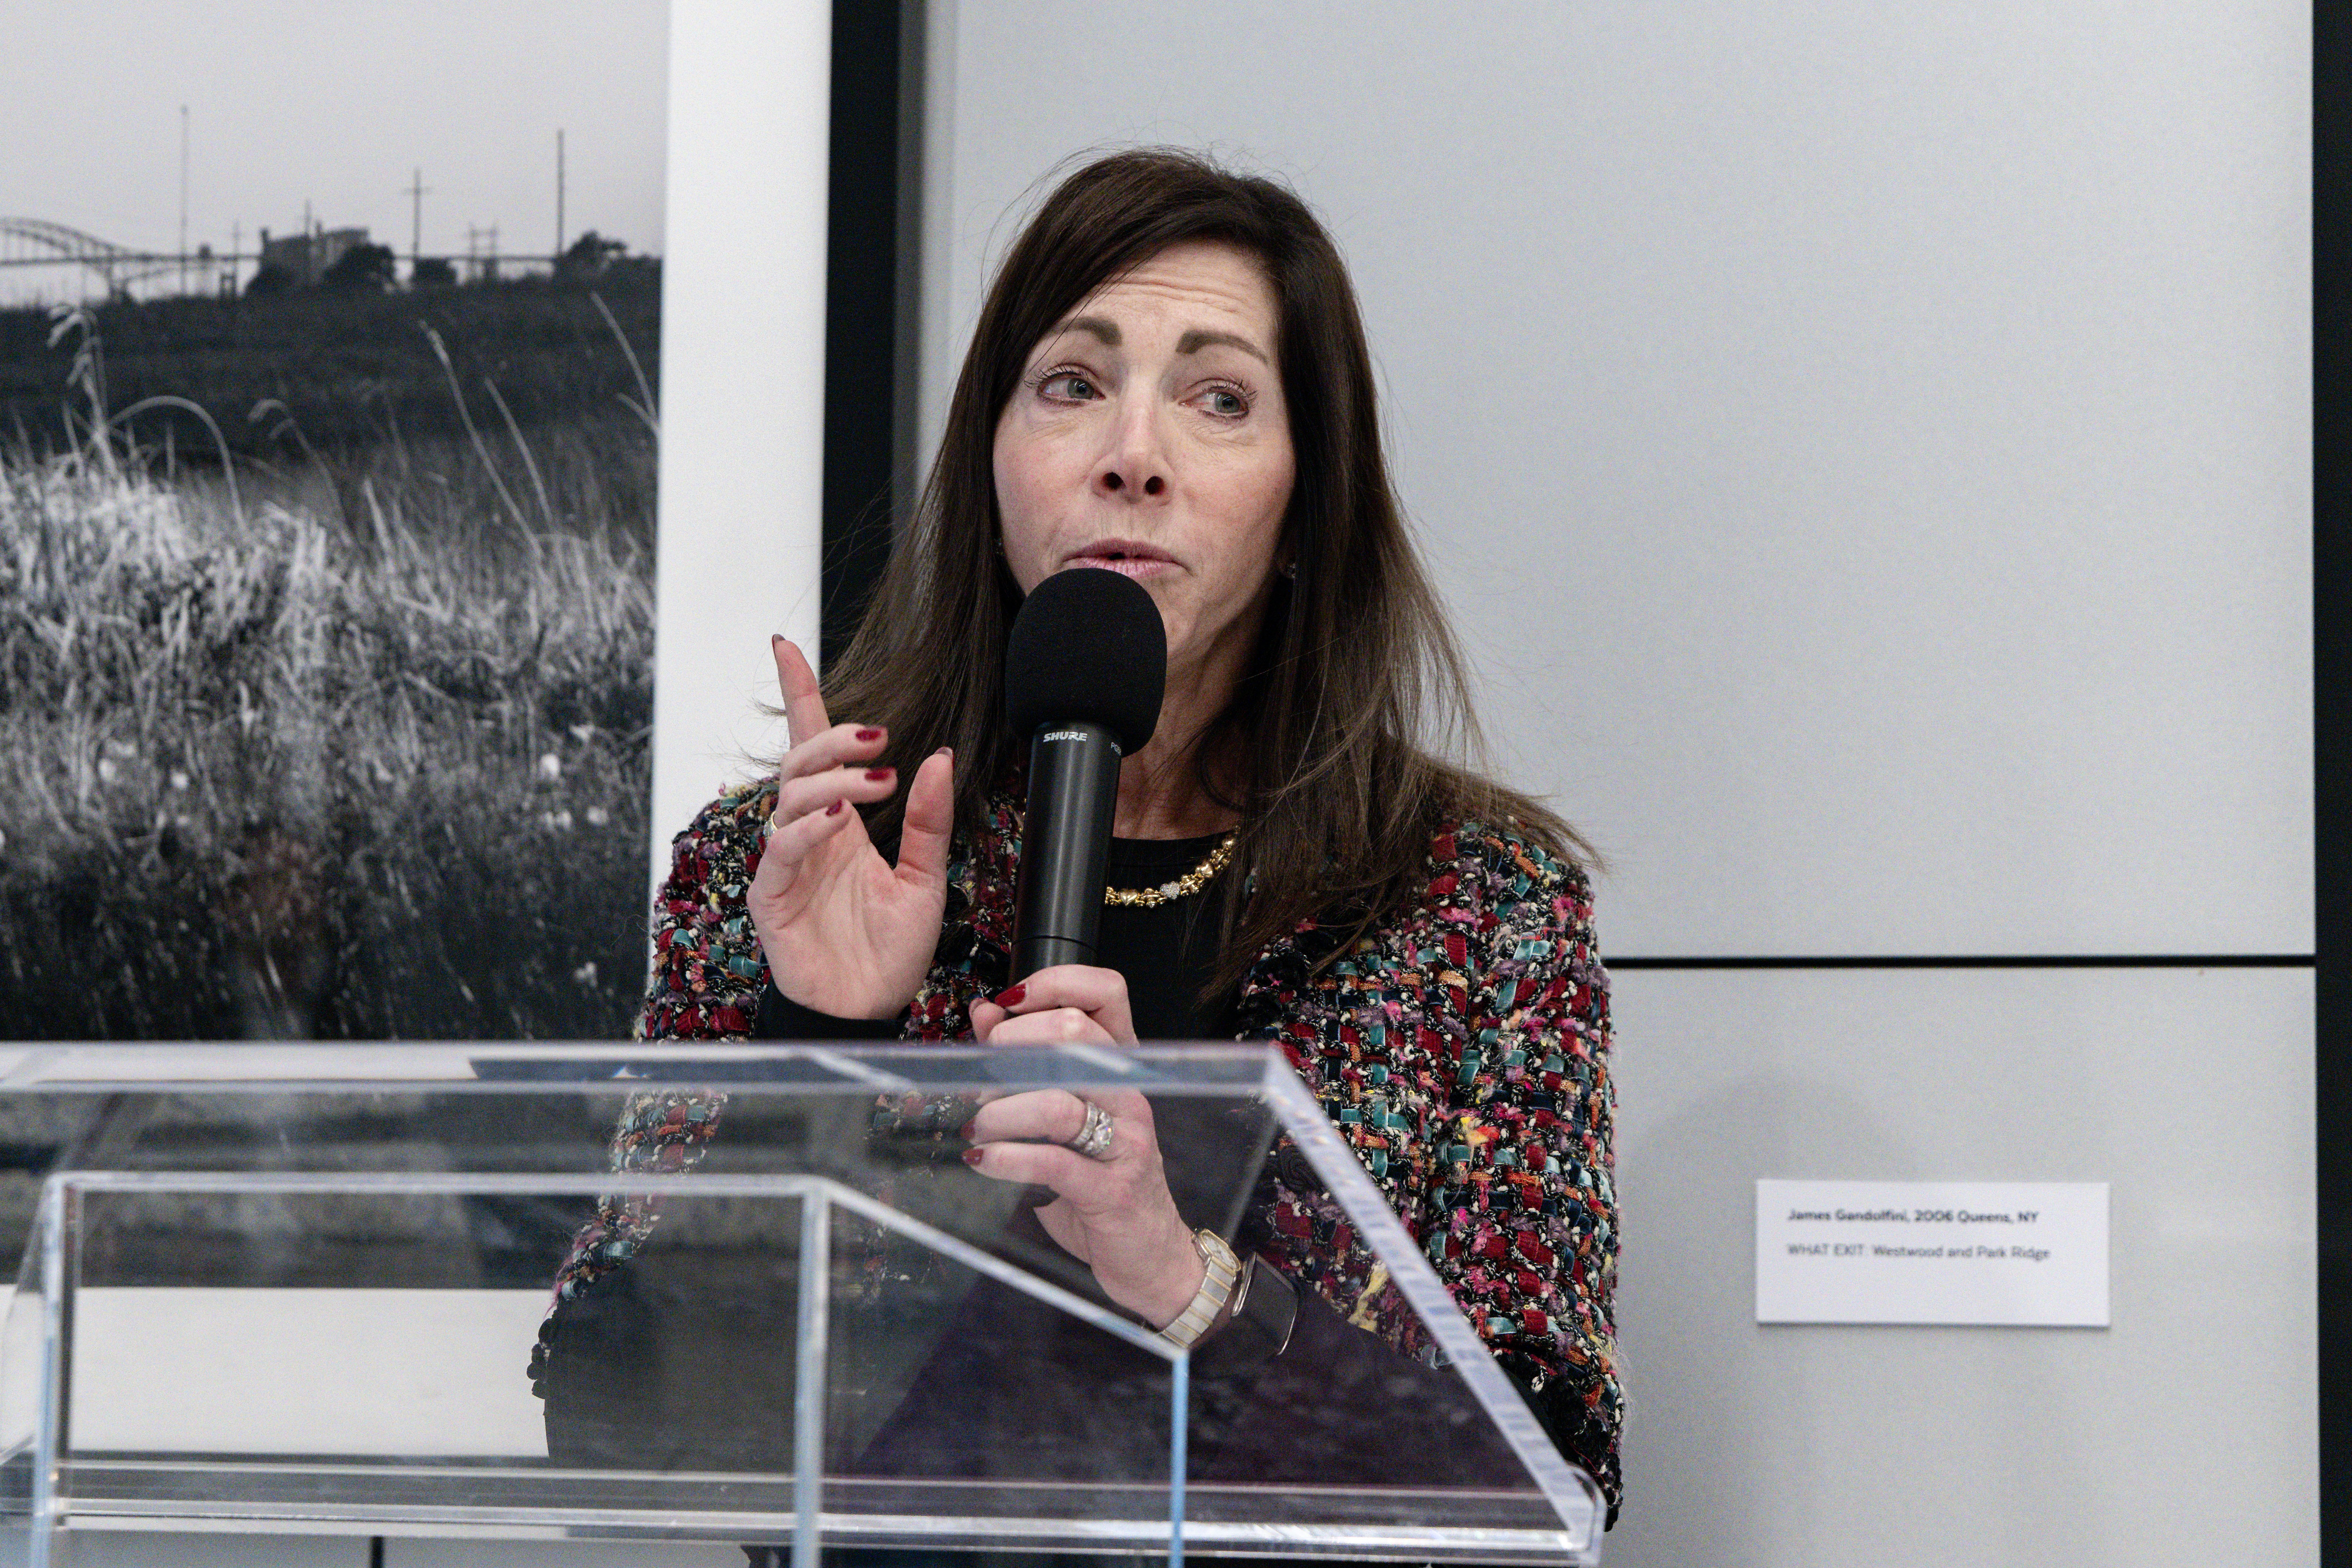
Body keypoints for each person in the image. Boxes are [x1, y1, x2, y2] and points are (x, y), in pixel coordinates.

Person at [536, 147, 1622, 1524]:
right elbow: (625, 1431)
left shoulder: (1477, 911)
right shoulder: (797, 857)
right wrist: (819, 1046)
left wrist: (1182, 1280)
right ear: (992, 458)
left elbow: (1548, 1496)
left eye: (1219, 399)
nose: (1132, 458)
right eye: (1072, 385)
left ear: (1305, 499)